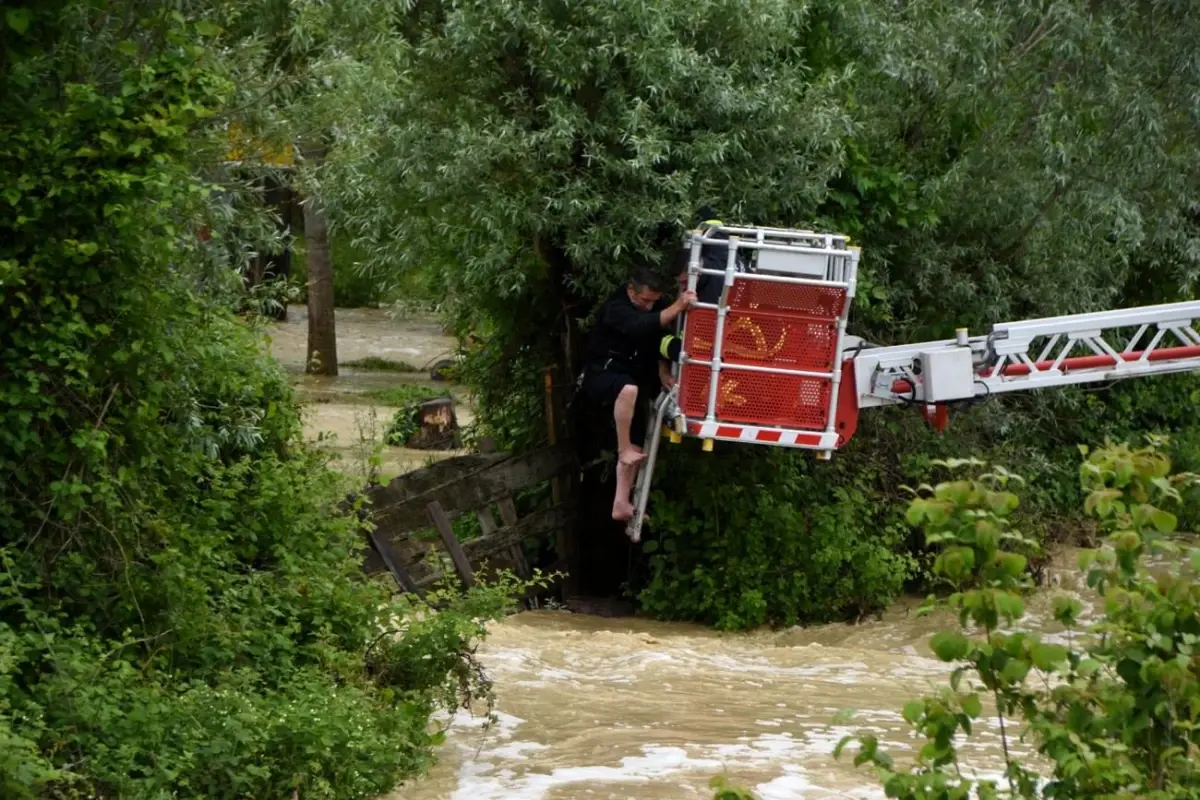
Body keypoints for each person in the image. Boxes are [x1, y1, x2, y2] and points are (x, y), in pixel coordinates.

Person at [581, 266, 696, 521]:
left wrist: (663, 372)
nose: (649, 307)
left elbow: (654, 339)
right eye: (645, 301)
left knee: (637, 440)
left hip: (633, 375)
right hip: (603, 372)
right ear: (631, 290)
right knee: (628, 391)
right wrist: (677, 306)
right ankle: (623, 450)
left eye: (654, 302)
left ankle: (621, 503)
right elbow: (638, 325)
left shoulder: (653, 306)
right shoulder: (616, 308)